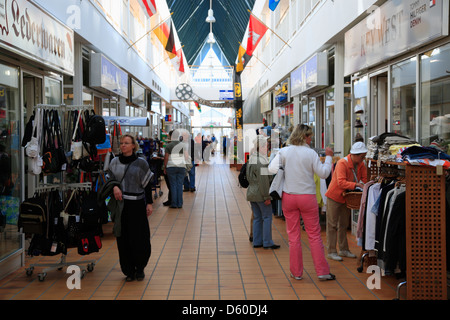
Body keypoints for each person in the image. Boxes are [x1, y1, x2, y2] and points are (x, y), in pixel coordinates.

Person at [268, 124, 335, 281]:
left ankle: (296, 272)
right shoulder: (311, 153)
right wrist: (329, 157)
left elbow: (271, 169)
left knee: (293, 237)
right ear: (304, 136)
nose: (311, 139)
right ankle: (322, 271)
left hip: (289, 197)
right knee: (314, 235)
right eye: (310, 136)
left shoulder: (283, 152)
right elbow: (324, 174)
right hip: (307, 197)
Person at [107, 134, 154, 281]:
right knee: (124, 238)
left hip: (137, 204)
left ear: (133, 145)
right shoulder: (114, 162)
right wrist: (114, 187)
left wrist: (149, 203)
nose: (123, 146)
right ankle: (128, 270)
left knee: (140, 237)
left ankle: (140, 268)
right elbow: (110, 180)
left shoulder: (141, 163)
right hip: (121, 206)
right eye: (121, 143)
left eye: (126, 143)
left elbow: (147, 184)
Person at [325, 141, 368, 261]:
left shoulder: (361, 164)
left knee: (343, 224)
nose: (363, 158)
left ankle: (344, 249)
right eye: (362, 156)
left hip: (346, 197)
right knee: (332, 224)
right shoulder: (342, 163)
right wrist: (357, 184)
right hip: (334, 196)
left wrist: (362, 184)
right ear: (356, 154)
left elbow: (364, 178)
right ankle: (332, 251)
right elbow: (341, 182)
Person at [247, 135, 280, 250]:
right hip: (261, 194)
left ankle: (257, 241)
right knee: (266, 217)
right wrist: (267, 196)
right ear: (260, 147)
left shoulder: (251, 159)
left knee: (257, 217)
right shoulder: (262, 161)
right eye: (266, 146)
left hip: (252, 193)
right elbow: (264, 181)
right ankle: (267, 242)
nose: (267, 148)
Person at [164, 129, 189, 208]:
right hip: (181, 167)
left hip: (171, 167)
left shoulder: (168, 145)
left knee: (173, 185)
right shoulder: (183, 145)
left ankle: (174, 204)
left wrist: (165, 167)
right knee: (179, 185)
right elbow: (186, 156)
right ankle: (180, 203)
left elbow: (166, 158)